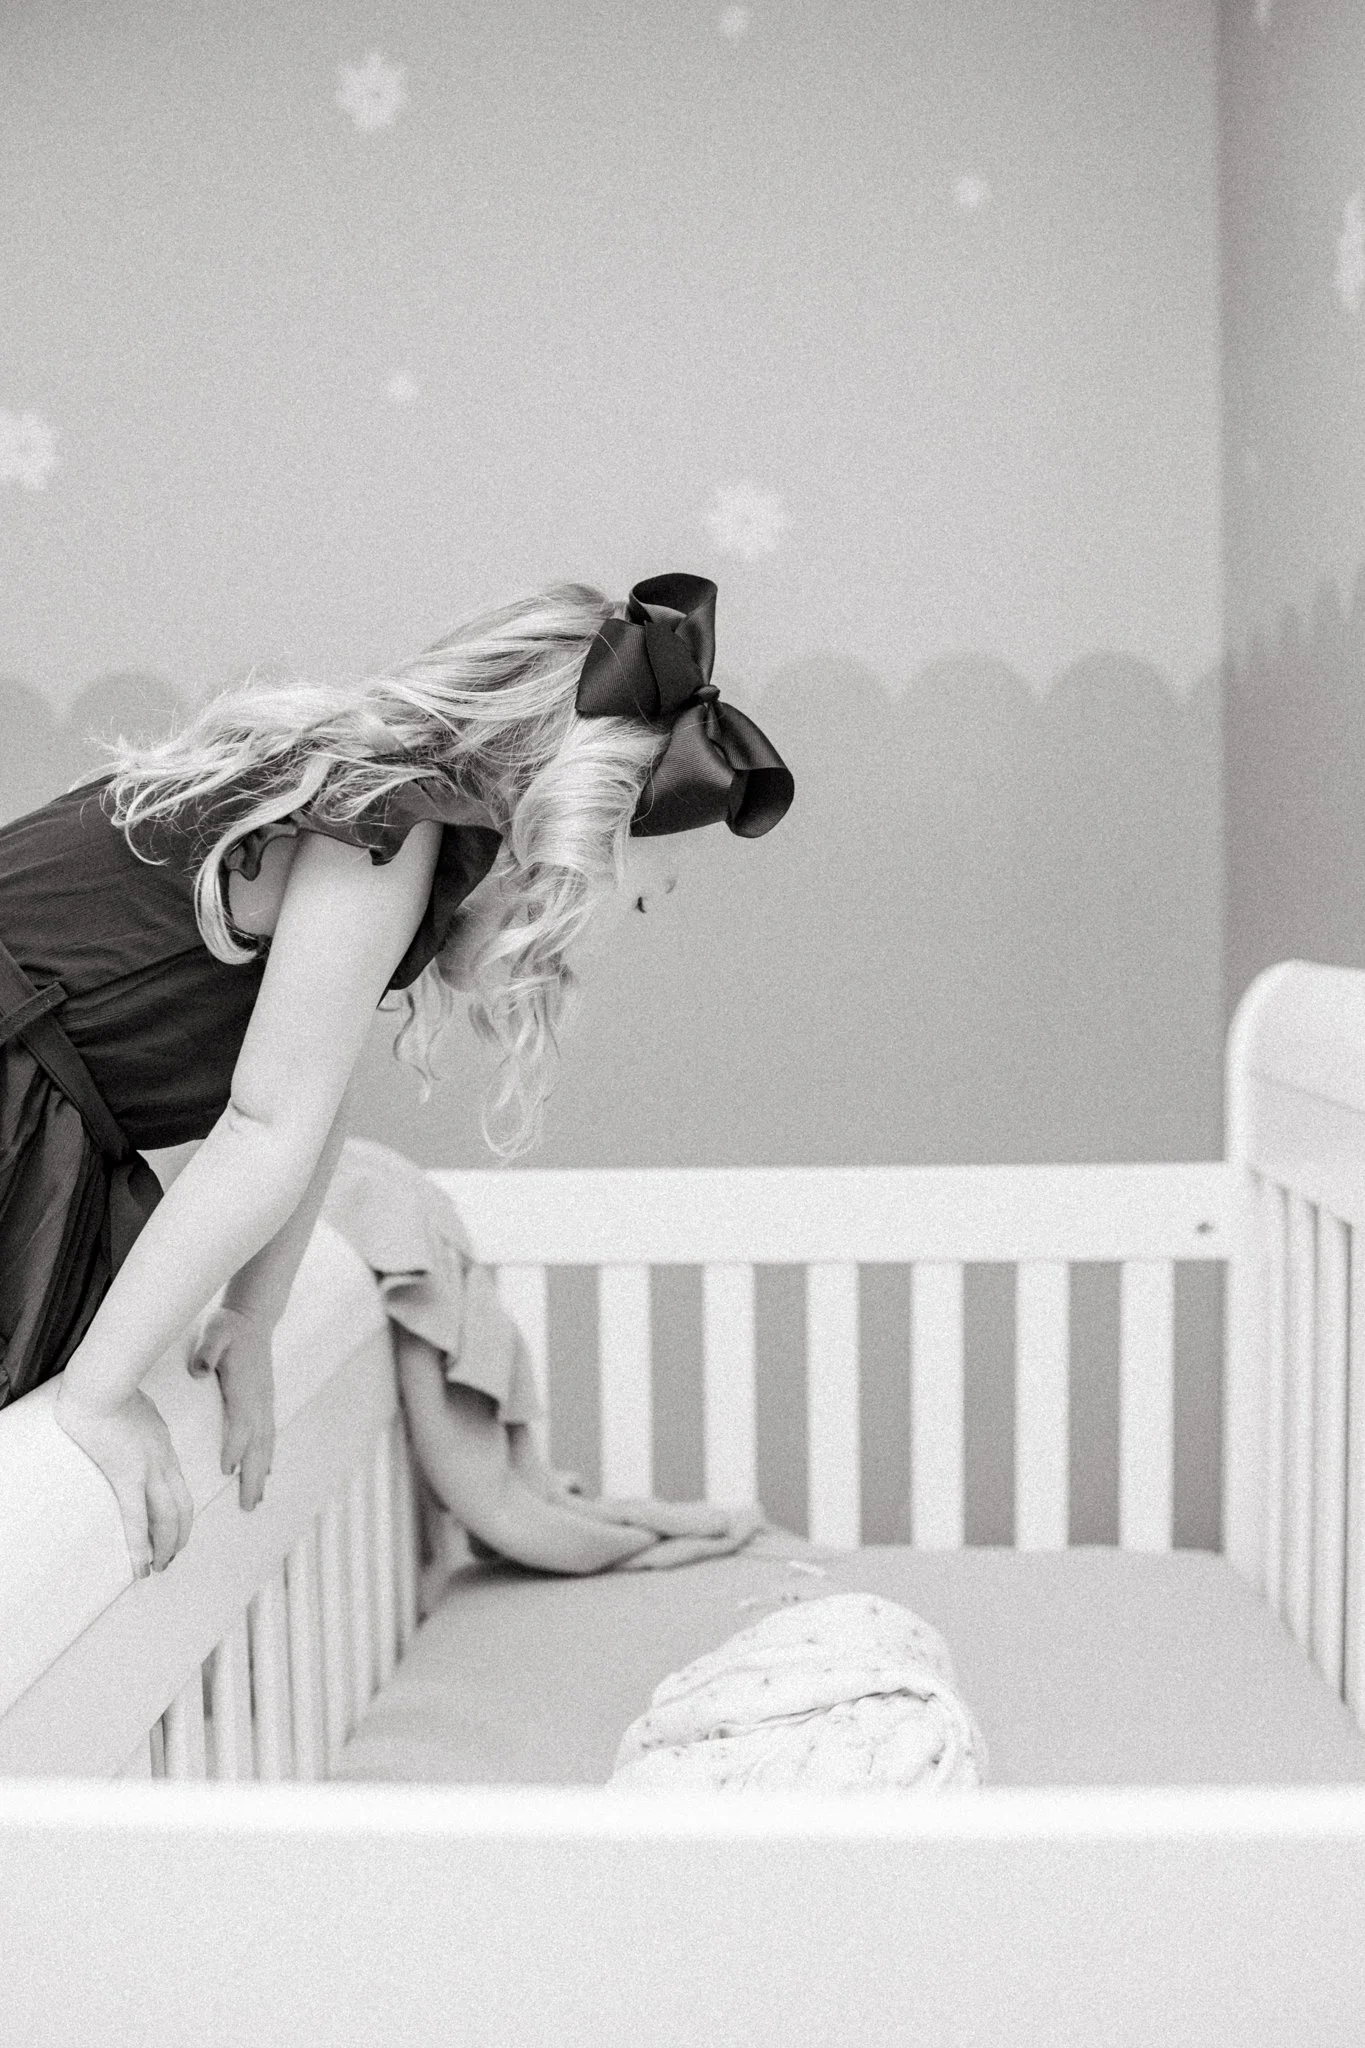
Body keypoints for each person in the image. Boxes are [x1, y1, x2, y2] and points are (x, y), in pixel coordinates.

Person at [0, 572, 793, 1579]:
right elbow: (264, 1127)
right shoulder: (388, 820)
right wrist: (101, 1391)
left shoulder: (378, 815)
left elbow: (308, 1107)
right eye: (613, 877)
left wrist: (255, 1312)